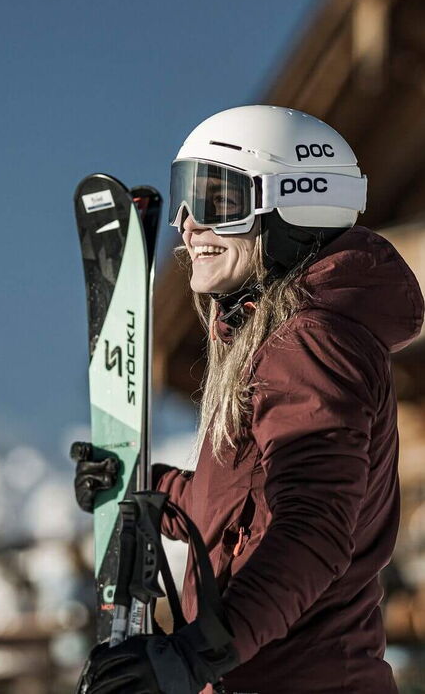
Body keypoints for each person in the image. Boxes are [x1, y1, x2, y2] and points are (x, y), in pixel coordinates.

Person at [74, 105, 423, 694]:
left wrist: (201, 652)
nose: (188, 225)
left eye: (218, 201)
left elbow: (311, 530)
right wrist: (147, 488)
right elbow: (244, 511)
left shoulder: (308, 344)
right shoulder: (282, 341)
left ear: (296, 205)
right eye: (186, 199)